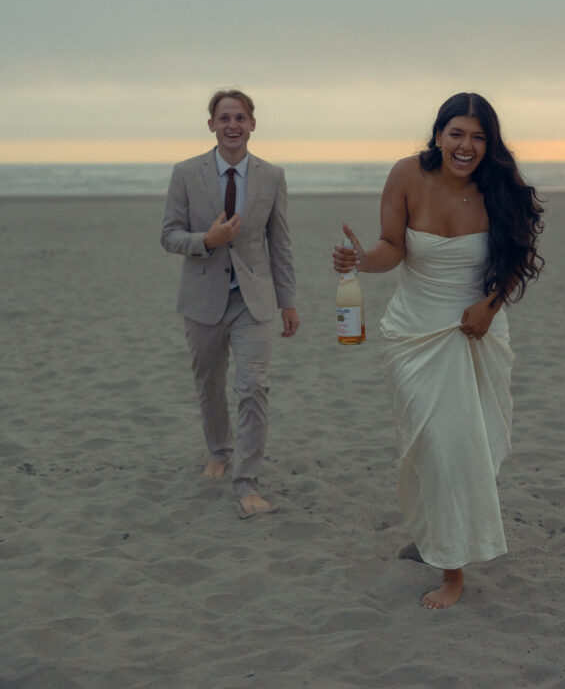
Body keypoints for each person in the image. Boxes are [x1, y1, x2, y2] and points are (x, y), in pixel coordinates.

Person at [332, 92, 543, 609]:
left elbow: (518, 255)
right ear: (439, 134)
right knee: (433, 445)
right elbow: (392, 249)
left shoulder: (500, 188)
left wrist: (490, 307)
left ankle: (447, 561)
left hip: (476, 330)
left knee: (464, 447)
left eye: (477, 136)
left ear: (488, 143)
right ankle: (442, 549)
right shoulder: (406, 175)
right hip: (414, 335)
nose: (466, 145)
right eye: (457, 133)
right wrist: (361, 258)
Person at [162, 89, 300, 518]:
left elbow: (280, 243)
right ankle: (219, 451)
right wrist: (206, 240)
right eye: (225, 118)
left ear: (252, 124)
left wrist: (288, 300)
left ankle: (247, 482)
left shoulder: (272, 176)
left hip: (252, 300)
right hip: (202, 299)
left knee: (253, 385)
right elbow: (168, 235)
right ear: (211, 125)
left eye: (240, 118)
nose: (233, 125)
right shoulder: (185, 173)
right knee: (209, 383)